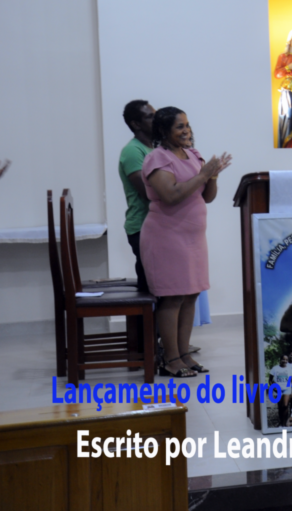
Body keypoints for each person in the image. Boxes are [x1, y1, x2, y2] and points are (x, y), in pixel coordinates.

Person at [141, 107, 231, 377]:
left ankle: (183, 354)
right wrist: (203, 175)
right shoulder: (157, 158)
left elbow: (207, 197)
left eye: (187, 125)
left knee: (191, 295)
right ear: (163, 131)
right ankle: (170, 359)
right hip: (166, 237)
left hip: (193, 239)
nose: (186, 131)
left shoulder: (193, 155)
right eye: (179, 126)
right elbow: (170, 195)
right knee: (173, 297)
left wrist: (213, 175)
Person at [118, 100, 155, 292]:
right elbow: (149, 192)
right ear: (136, 124)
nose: (157, 119)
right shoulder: (133, 151)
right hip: (142, 227)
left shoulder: (154, 148)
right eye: (150, 116)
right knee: (152, 287)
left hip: (156, 226)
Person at [269, 355, 292, 426]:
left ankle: (284, 423)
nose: (285, 361)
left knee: (285, 405)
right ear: (280, 360)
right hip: (278, 390)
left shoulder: (289, 369)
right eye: (283, 359)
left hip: (287, 389)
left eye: (286, 360)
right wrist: (273, 387)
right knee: (280, 407)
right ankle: (281, 421)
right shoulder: (275, 368)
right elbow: (270, 380)